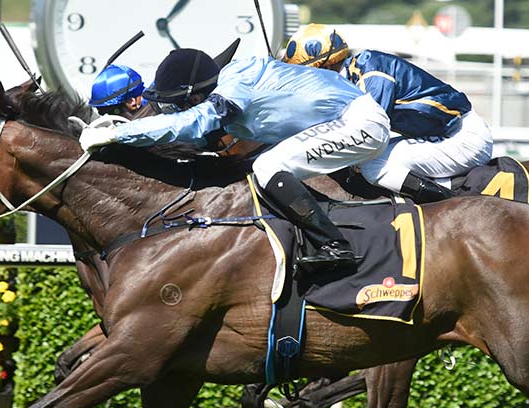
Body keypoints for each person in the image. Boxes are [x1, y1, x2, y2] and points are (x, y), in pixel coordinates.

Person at [78, 48, 391, 273]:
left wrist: (120, 133)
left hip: (359, 123)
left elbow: (195, 122)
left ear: (194, 96)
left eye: (179, 104)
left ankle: (334, 246)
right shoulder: (230, 93)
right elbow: (195, 137)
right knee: (266, 163)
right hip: (346, 124)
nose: (178, 110)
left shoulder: (235, 83)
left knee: (268, 166)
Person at [283, 24, 493, 204]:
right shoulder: (351, 79)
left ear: (325, 67)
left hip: (463, 139)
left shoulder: (372, 72)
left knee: (372, 166)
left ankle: (451, 203)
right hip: (442, 135)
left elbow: (370, 133)